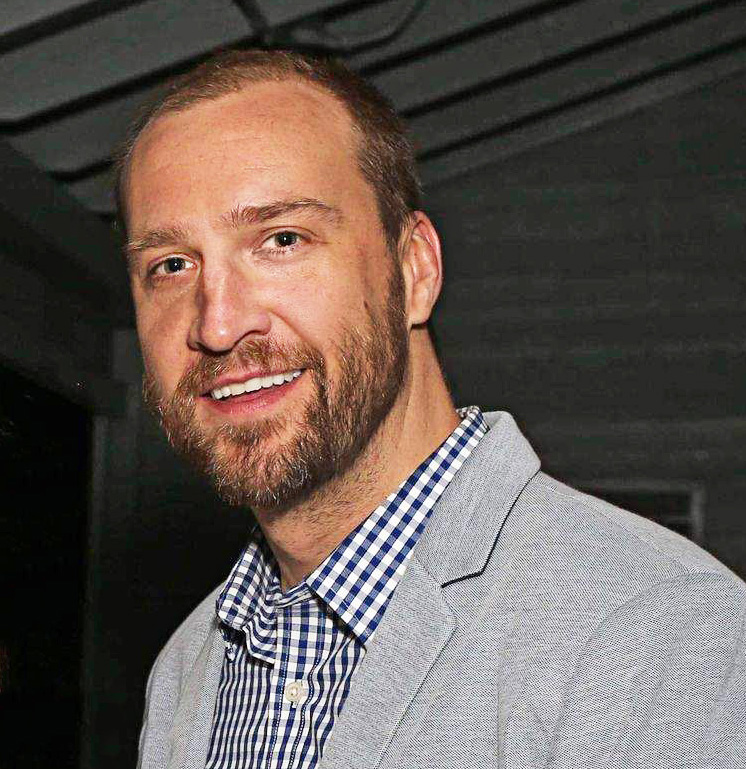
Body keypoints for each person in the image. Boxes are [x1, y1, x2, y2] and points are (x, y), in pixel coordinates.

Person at [118, 49, 746, 769]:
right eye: (171, 265)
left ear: (414, 269)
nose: (218, 323)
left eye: (282, 240)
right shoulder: (186, 668)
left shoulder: (656, 630)